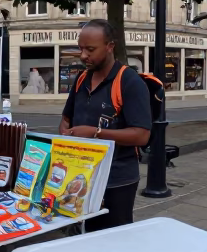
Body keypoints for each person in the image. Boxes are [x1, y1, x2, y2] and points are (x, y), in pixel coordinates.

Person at [58, 19, 153, 232]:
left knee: (112, 239)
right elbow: (66, 118)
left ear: (110, 46)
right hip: (82, 175)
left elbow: (141, 135)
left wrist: (95, 133)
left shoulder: (129, 82)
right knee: (83, 235)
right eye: (81, 48)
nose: (83, 56)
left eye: (90, 49)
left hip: (116, 180)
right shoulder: (82, 79)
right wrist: (65, 133)